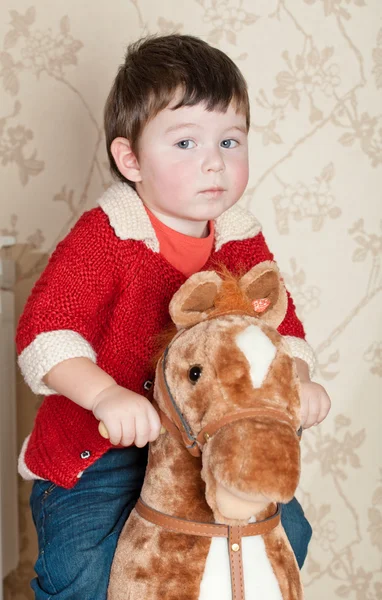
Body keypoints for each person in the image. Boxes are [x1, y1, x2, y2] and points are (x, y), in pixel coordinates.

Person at [16, 34, 331, 599]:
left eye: (230, 141)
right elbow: (46, 334)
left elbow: (281, 330)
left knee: (291, 533)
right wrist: (105, 396)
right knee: (83, 567)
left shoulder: (240, 237)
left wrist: (300, 384)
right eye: (186, 142)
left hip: (201, 446)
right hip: (102, 454)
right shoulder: (107, 236)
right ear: (130, 158)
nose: (215, 161)